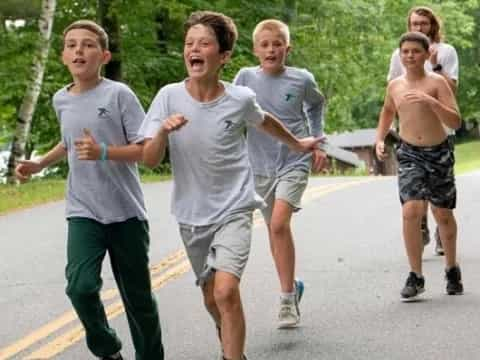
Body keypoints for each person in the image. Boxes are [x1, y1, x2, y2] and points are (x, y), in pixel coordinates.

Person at [139, 11, 321, 360]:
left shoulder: (239, 98)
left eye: (204, 43)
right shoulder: (168, 96)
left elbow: (265, 120)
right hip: (191, 214)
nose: (194, 48)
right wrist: (162, 130)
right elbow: (148, 159)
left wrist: (297, 143)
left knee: (225, 292)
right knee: (211, 298)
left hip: (235, 208)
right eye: (189, 43)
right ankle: (228, 334)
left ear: (223, 56)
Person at [15, 20, 164, 360]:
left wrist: (104, 152)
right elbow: (70, 142)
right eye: (71, 45)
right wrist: (40, 163)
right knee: (80, 288)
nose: (78, 50)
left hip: (126, 213)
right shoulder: (60, 99)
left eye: (87, 44)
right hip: (83, 211)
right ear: (63, 56)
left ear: (105, 55)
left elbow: (146, 150)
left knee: (138, 300)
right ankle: (107, 348)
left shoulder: (118, 95)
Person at [233, 19, 326, 328]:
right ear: (255, 49)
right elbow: (230, 112)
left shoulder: (301, 79)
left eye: (277, 44)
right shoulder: (244, 77)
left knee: (278, 223)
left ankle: (287, 301)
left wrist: (318, 141)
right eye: (265, 44)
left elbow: (316, 105)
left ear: (288, 48)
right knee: (276, 232)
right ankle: (293, 286)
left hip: (294, 159)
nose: (271, 49)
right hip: (258, 165)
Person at [376, 31, 463, 301]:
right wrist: (379, 138)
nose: (410, 56)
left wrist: (431, 102)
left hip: (438, 153)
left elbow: (456, 121)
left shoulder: (437, 83)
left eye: (415, 51)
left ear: (427, 55)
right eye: (405, 52)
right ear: (400, 56)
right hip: (410, 152)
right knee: (411, 210)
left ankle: (451, 269)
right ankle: (416, 275)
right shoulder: (395, 86)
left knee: (442, 214)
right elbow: (388, 111)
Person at [387, 6, 459, 255]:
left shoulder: (446, 52)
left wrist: (436, 66)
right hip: (410, 135)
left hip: (441, 131)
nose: (419, 28)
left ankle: (442, 232)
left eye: (423, 24)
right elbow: (392, 91)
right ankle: (422, 225)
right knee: (414, 198)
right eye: (414, 24)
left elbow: (452, 92)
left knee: (440, 200)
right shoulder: (400, 53)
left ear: (433, 26)